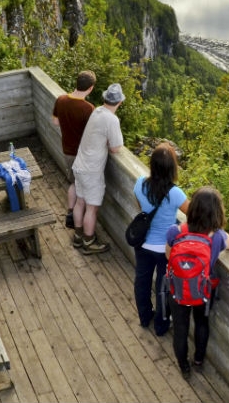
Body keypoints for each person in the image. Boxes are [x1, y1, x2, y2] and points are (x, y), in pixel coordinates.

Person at [165, 186, 229, 379]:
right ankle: (198, 361)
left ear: (193, 208)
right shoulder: (217, 237)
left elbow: (168, 255)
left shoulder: (175, 231)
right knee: (201, 324)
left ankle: (184, 366)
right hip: (203, 291)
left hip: (178, 289)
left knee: (180, 328)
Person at [133, 143, 190, 335]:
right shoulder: (175, 193)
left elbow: (141, 207)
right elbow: (193, 213)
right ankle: (161, 325)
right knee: (163, 288)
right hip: (166, 249)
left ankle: (144, 317)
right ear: (172, 168)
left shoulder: (140, 183)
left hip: (143, 244)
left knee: (142, 281)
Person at [70, 83, 126, 254]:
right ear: (120, 102)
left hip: (80, 164)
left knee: (80, 202)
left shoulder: (97, 111)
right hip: (91, 170)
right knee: (92, 208)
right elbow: (116, 148)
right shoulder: (112, 119)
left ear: (105, 99)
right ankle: (89, 241)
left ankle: (78, 236)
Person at [51, 70, 96, 229]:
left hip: (67, 151)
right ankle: (80, 225)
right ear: (90, 88)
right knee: (83, 191)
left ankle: (70, 212)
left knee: (73, 183)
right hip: (83, 155)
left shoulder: (61, 100)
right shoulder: (89, 109)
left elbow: (56, 122)